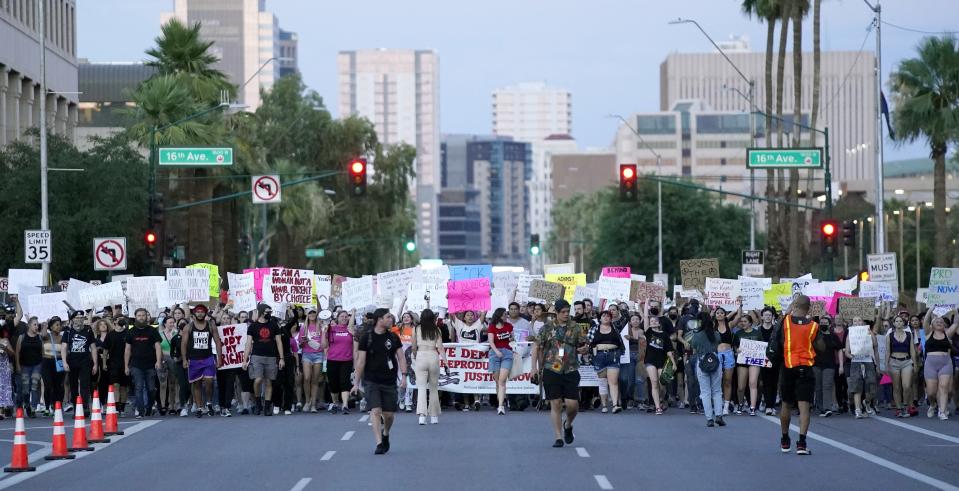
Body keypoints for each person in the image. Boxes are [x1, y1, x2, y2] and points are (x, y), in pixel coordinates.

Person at [767, 295, 821, 456]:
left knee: (786, 404)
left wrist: (787, 311)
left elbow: (777, 337)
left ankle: (785, 439)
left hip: (788, 366)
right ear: (809, 308)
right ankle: (802, 444)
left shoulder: (786, 322)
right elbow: (821, 347)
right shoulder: (813, 326)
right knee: (804, 407)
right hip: (806, 368)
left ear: (795, 305)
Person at [531, 300, 586, 448]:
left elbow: (583, 344)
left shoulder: (575, 327)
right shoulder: (547, 328)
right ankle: (558, 436)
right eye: (563, 312)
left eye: (568, 311)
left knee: (572, 405)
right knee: (555, 403)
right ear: (556, 312)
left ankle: (568, 424)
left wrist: (584, 349)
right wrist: (534, 368)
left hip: (571, 368)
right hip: (552, 368)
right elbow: (537, 347)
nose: (566, 314)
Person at [353, 308, 407, 455]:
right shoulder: (367, 337)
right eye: (388, 317)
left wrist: (404, 376)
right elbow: (360, 361)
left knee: (389, 415)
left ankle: (386, 433)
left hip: (389, 380)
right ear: (379, 319)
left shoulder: (393, 337)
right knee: (376, 410)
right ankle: (378, 442)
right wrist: (356, 383)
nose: (391, 320)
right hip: (371, 380)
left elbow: (401, 357)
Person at [180, 304, 223, 417]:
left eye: (202, 312)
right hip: (194, 359)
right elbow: (183, 344)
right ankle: (199, 407)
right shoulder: (188, 327)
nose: (200, 314)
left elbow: (218, 341)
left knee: (209, 381)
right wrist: (184, 359)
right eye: (197, 312)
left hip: (208, 358)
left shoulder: (210, 325)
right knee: (197, 384)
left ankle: (209, 402)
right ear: (194, 314)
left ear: (205, 313)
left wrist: (219, 357)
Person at [244, 304, 285, 417]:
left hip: (271, 357)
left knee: (268, 382)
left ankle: (266, 407)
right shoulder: (252, 326)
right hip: (256, 356)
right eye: (267, 311)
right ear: (262, 312)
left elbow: (279, 342)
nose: (269, 313)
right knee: (257, 380)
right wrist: (245, 359)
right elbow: (248, 343)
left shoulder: (274, 325)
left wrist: (281, 358)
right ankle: (258, 402)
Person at [124, 308, 162, 419]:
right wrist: (126, 365)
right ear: (135, 317)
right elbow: (127, 349)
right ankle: (140, 410)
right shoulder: (131, 332)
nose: (141, 317)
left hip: (150, 364)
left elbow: (158, 346)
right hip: (136, 365)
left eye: (143, 315)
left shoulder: (152, 330)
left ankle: (149, 407)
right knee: (138, 387)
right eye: (139, 315)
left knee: (151, 389)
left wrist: (158, 361)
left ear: (146, 317)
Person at [921, 308, 957, 420]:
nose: (939, 322)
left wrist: (955, 311)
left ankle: (942, 411)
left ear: (944, 325)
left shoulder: (947, 334)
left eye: (941, 322)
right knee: (931, 392)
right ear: (932, 324)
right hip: (930, 364)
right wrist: (930, 310)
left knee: (944, 387)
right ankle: (932, 404)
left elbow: (956, 323)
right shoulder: (928, 333)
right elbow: (926, 321)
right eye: (936, 321)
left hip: (946, 363)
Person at [690, 310, 724, 427]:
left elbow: (693, 347)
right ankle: (719, 415)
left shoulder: (696, 336)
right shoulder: (716, 334)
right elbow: (718, 343)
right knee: (717, 390)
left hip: (702, 362)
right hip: (715, 361)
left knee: (705, 392)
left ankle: (709, 418)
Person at [61, 310, 98, 411]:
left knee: (84, 385)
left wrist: (95, 363)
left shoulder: (88, 331)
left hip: (85, 361)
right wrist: (64, 362)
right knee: (73, 385)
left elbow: (93, 348)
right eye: (77, 318)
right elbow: (64, 348)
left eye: (81, 318)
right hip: (72, 362)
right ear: (72, 320)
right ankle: (77, 408)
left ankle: (85, 407)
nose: (80, 320)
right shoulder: (68, 332)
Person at [412, 309, 444, 424]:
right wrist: (445, 362)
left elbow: (413, 347)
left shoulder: (416, 329)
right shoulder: (437, 330)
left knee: (421, 388)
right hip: (433, 356)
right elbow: (440, 348)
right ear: (433, 318)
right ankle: (434, 416)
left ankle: (422, 416)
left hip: (421, 355)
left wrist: (416, 357)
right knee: (434, 388)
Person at [644, 302, 676, 415]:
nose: (652, 323)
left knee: (662, 384)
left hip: (662, 361)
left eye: (654, 321)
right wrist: (647, 303)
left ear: (659, 323)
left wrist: (673, 363)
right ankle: (658, 407)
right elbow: (645, 317)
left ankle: (661, 399)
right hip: (650, 360)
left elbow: (669, 351)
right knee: (654, 383)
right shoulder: (648, 332)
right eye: (651, 321)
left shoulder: (664, 335)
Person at [590, 310, 625, 413]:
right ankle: (604, 405)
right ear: (600, 318)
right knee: (602, 381)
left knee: (613, 381)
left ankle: (615, 405)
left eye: (608, 316)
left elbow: (620, 342)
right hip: (599, 356)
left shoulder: (615, 328)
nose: (606, 317)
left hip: (613, 355)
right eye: (603, 316)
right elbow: (588, 342)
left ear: (611, 318)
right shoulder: (594, 329)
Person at [844, 316, 878, 419]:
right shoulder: (850, 334)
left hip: (868, 361)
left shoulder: (868, 331)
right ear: (852, 323)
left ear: (863, 322)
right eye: (855, 321)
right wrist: (852, 356)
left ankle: (866, 402)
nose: (857, 322)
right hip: (856, 362)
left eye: (859, 320)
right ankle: (858, 410)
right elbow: (847, 351)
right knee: (857, 386)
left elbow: (875, 344)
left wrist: (870, 332)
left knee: (871, 384)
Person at [885, 315, 918, 418]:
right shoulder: (889, 336)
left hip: (907, 361)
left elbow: (912, 350)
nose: (899, 323)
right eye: (897, 321)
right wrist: (886, 365)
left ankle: (905, 405)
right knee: (896, 387)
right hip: (894, 362)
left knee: (907, 386)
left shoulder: (909, 334)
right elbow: (887, 351)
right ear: (894, 324)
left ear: (904, 323)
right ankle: (899, 408)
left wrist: (915, 363)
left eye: (900, 321)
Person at [324, 310, 355, 414]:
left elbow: (356, 343)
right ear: (337, 318)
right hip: (332, 359)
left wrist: (354, 334)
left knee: (344, 382)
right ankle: (335, 403)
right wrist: (324, 333)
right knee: (333, 383)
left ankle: (345, 405)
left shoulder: (351, 329)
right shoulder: (331, 329)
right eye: (342, 316)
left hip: (346, 360)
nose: (344, 318)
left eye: (346, 316)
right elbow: (324, 345)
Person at [733, 312, 763, 416]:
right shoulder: (738, 334)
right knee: (741, 387)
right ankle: (740, 404)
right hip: (742, 361)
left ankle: (752, 407)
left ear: (750, 323)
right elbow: (735, 347)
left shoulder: (757, 333)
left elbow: (762, 346)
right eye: (741, 321)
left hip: (754, 361)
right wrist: (737, 351)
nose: (742, 323)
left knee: (753, 383)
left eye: (745, 321)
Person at [811, 315, 841, 417]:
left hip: (829, 365)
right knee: (818, 387)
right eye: (821, 322)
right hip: (816, 364)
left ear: (830, 324)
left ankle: (827, 408)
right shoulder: (815, 335)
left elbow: (840, 349)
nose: (823, 324)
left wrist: (841, 365)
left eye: (825, 323)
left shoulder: (833, 336)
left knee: (827, 386)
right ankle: (821, 407)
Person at [298, 308, 326, 413]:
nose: (312, 314)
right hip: (307, 354)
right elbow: (300, 344)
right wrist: (304, 341)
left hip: (318, 354)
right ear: (307, 315)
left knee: (315, 380)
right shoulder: (304, 327)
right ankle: (307, 401)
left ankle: (313, 404)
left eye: (314, 312)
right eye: (310, 312)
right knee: (306, 378)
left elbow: (324, 343)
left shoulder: (321, 327)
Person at [486, 308, 514, 415]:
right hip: (494, 354)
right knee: (497, 381)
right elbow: (491, 341)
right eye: (504, 315)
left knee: (502, 381)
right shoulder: (492, 327)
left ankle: (501, 406)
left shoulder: (509, 326)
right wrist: (497, 351)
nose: (506, 316)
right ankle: (500, 401)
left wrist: (510, 339)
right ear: (499, 316)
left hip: (507, 353)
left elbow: (512, 337)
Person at [14, 317, 43, 417]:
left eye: (37, 324)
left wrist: (41, 364)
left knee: (34, 386)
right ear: (29, 326)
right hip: (24, 365)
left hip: (37, 365)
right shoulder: (22, 337)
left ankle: (33, 408)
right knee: (25, 388)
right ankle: (26, 404)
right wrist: (17, 365)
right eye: (34, 324)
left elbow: (42, 351)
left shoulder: (39, 337)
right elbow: (17, 352)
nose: (36, 326)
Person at [40, 317, 65, 415]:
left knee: (58, 386)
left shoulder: (63, 337)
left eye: (60, 324)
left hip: (59, 362)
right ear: (51, 326)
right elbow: (42, 334)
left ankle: (56, 406)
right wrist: (45, 325)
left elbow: (66, 350)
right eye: (56, 325)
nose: (59, 327)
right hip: (46, 362)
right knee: (48, 385)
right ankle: (47, 406)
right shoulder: (47, 336)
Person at [158, 316, 180, 415]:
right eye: (170, 322)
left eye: (173, 322)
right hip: (163, 360)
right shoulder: (160, 334)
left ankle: (173, 405)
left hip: (173, 360)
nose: (172, 324)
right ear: (165, 324)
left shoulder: (176, 334)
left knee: (173, 383)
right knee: (163, 384)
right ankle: (163, 405)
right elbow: (157, 348)